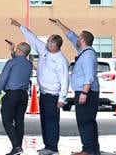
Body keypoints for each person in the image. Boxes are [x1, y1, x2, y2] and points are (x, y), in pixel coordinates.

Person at [10, 18, 69, 155]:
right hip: (43, 93)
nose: (46, 42)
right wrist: (20, 26)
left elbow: (65, 79)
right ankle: (48, 146)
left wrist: (62, 98)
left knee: (52, 122)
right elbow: (33, 38)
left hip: (54, 95)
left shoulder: (61, 60)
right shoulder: (44, 50)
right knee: (44, 121)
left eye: (49, 41)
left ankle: (53, 148)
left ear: (54, 44)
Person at [50, 18, 100, 155]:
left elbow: (89, 75)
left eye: (79, 37)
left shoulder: (88, 55)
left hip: (86, 93)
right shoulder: (83, 51)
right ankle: (92, 149)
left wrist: (84, 93)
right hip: (85, 92)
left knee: (85, 121)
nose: (76, 38)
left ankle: (89, 150)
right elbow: (71, 36)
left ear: (83, 40)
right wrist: (60, 25)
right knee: (88, 121)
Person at [0, 41, 33, 155]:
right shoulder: (29, 64)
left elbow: (2, 79)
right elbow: (20, 64)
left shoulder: (11, 62)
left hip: (12, 95)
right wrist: (12, 52)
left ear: (19, 51)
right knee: (19, 121)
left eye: (17, 50)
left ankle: (16, 146)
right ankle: (17, 148)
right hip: (23, 96)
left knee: (6, 119)